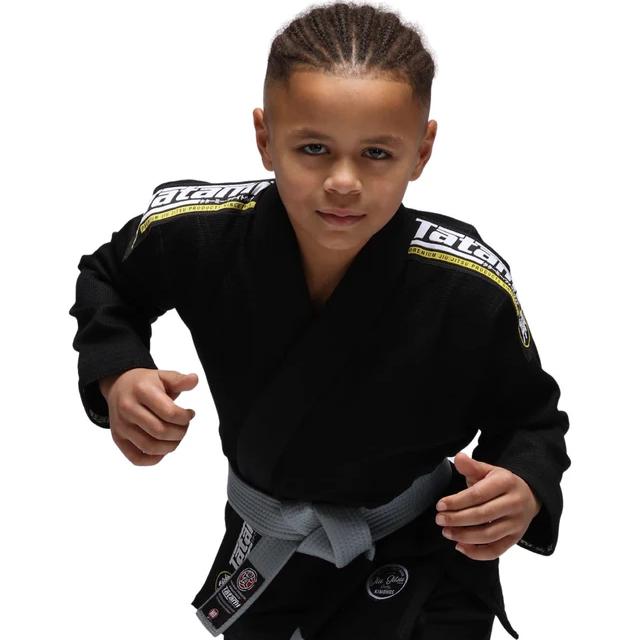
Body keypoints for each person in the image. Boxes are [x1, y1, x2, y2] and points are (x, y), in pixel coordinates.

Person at [68, 2, 570, 639]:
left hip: (419, 559)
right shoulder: (199, 235)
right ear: (264, 137)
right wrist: (120, 371)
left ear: (422, 150)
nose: (343, 182)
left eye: (377, 153)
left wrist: (520, 485)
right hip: (269, 553)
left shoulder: (467, 284)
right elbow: (108, 277)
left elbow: (529, 418)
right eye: (313, 148)